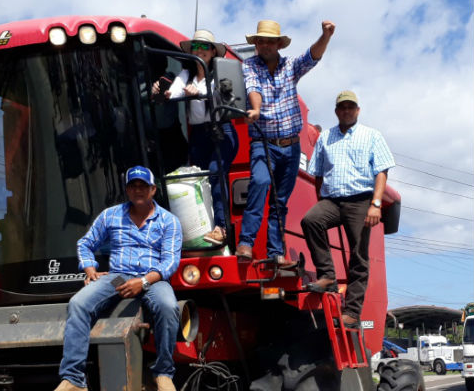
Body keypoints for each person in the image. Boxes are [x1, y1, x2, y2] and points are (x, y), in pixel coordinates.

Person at [54, 166, 182, 391]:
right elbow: (85, 243)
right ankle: (73, 379)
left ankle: (163, 373)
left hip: (154, 278)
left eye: (143, 186)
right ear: (127, 190)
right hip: (118, 277)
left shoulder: (169, 221)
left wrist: (143, 282)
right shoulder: (111, 215)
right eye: (133, 186)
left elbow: (170, 262)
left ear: (153, 190)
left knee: (168, 306)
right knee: (78, 303)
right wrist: (90, 268)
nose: (138, 190)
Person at [236, 19, 335, 264]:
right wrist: (256, 109)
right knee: (259, 182)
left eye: (270, 41)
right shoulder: (249, 65)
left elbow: (312, 57)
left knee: (280, 201)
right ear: (256, 44)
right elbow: (253, 87)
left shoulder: (290, 66)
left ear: (279, 44)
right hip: (263, 141)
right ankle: (246, 243)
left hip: (291, 147)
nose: (265, 45)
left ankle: (276, 253)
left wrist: (325, 36)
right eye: (260, 41)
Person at [300, 91, 395, 327]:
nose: (346, 111)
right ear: (336, 111)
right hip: (332, 200)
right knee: (310, 220)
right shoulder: (325, 138)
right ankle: (327, 275)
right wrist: (321, 199)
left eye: (351, 107)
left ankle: (352, 313)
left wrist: (375, 204)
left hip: (361, 200)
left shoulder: (371, 135)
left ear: (358, 110)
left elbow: (381, 171)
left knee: (358, 256)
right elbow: (318, 174)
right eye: (342, 107)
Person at [153, 29, 239, 246]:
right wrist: (162, 90)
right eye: (196, 47)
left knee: (215, 175)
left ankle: (221, 227)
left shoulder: (220, 72)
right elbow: (174, 93)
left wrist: (200, 94)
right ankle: (201, 230)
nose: (199, 51)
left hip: (221, 131)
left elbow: (228, 97)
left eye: (203, 47)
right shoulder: (186, 74)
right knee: (197, 181)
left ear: (212, 51)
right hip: (199, 134)